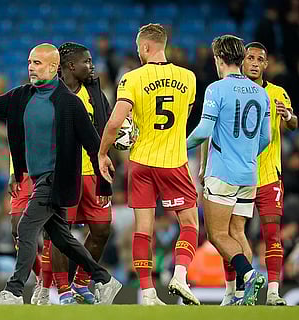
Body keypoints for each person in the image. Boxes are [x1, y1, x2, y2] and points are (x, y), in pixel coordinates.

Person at [0, 43, 121, 305]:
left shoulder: (69, 103)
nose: (31, 68)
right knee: (63, 239)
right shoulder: (22, 96)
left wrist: (105, 187)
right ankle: (105, 279)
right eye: (29, 62)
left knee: (25, 228)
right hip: (37, 179)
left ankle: (13, 292)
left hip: (58, 180)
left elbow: (95, 147)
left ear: (53, 67)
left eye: (37, 63)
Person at [98, 23, 200, 306]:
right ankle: (179, 274)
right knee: (190, 222)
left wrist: (103, 152)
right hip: (173, 161)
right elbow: (185, 117)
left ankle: (148, 293)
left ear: (145, 47)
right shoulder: (188, 77)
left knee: (143, 230)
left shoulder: (131, 78)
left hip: (140, 163)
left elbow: (116, 121)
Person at [186, 35, 270, 306]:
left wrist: (179, 147)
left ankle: (250, 274)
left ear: (218, 59)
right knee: (237, 233)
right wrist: (246, 154)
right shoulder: (261, 92)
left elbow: (205, 131)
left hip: (222, 173)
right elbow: (266, 138)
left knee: (217, 235)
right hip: (249, 173)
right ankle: (244, 292)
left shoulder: (216, 89)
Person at [220, 42, 297, 306]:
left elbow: (293, 123)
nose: (254, 62)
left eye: (259, 59)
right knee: (228, 234)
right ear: (242, 61)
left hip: (267, 177)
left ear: (266, 64)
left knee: (271, 234)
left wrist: (288, 115)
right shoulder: (231, 91)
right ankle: (233, 292)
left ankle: (274, 292)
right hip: (238, 176)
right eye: (249, 57)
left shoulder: (277, 93)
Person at [49, 42, 112, 305]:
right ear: (71, 66)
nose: (92, 66)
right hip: (64, 173)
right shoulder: (50, 94)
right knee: (62, 233)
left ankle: (81, 283)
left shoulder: (93, 93)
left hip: (94, 172)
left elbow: (106, 128)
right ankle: (62, 291)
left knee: (102, 230)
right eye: (86, 62)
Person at [7, 155, 45, 304]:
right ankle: (42, 278)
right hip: (22, 173)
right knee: (17, 229)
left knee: (52, 231)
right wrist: (13, 172)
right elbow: (15, 142)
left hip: (46, 170)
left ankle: (55, 284)